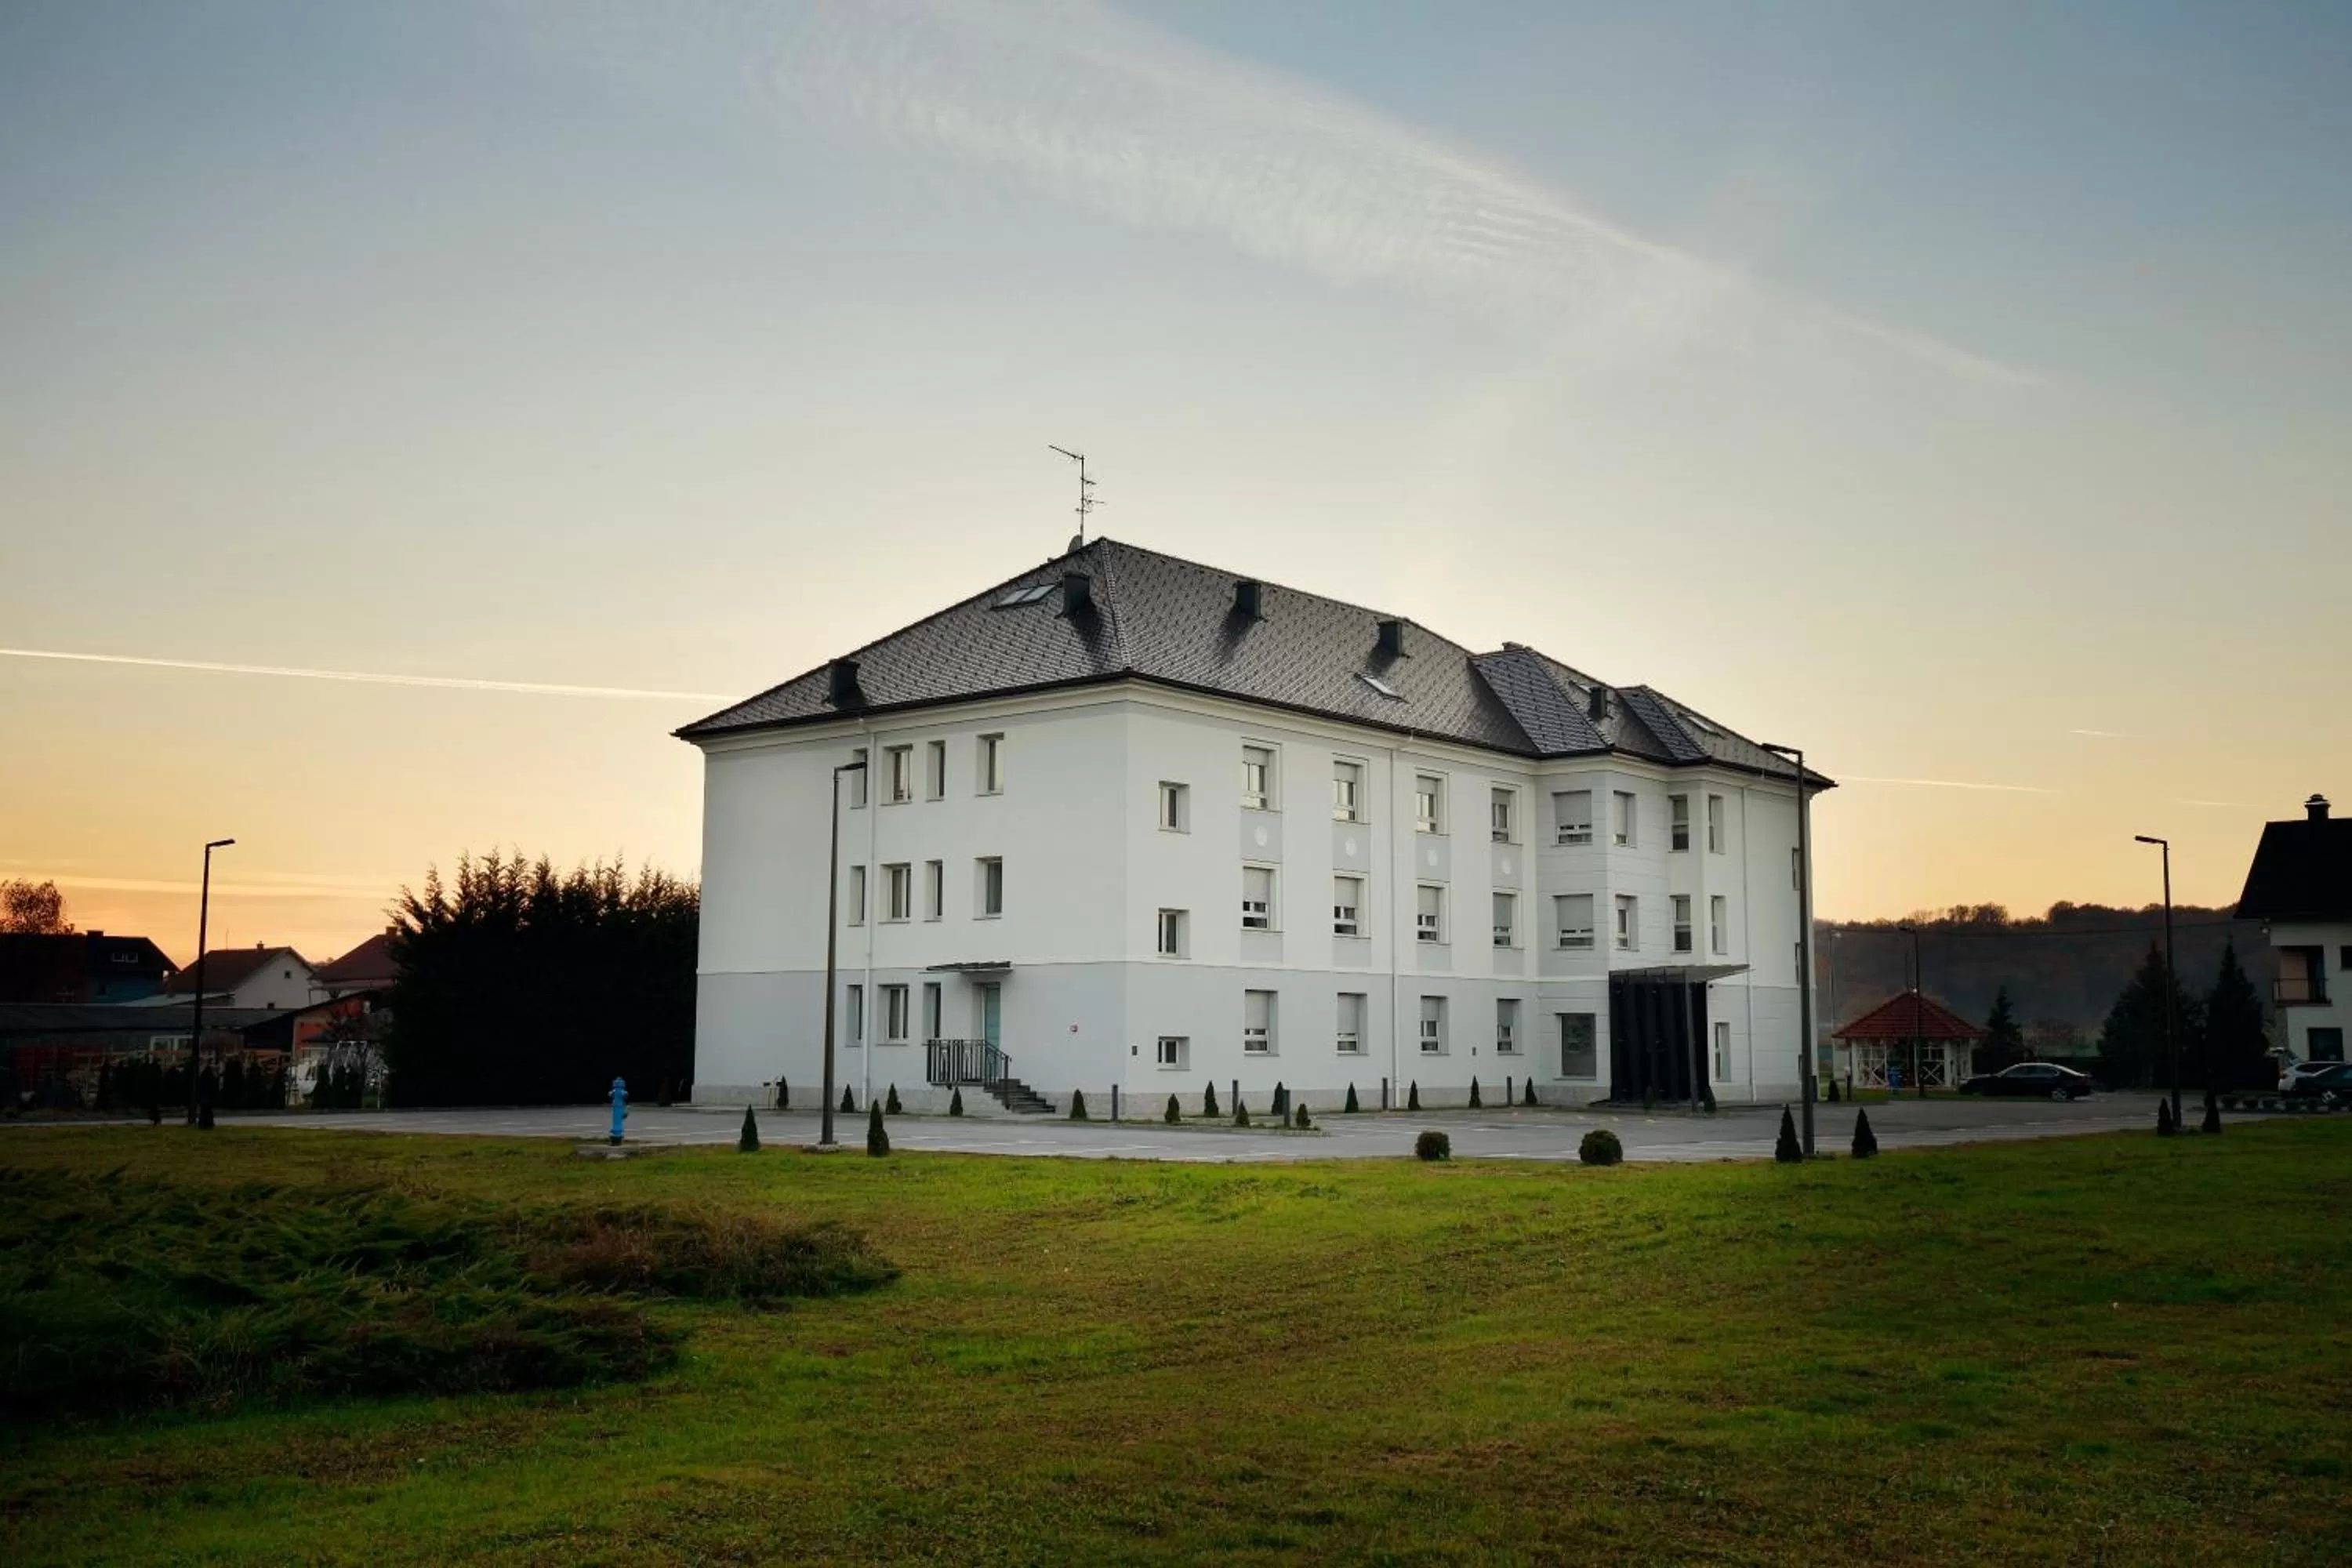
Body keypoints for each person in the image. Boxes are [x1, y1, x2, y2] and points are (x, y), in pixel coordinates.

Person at [608, 1076, 628, 1145]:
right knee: (618, 1121)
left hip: (617, 1106)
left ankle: (616, 1135)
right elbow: (625, 1095)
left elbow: (610, 1094)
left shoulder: (614, 1092)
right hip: (619, 1106)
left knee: (617, 1121)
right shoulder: (621, 1092)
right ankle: (617, 1136)